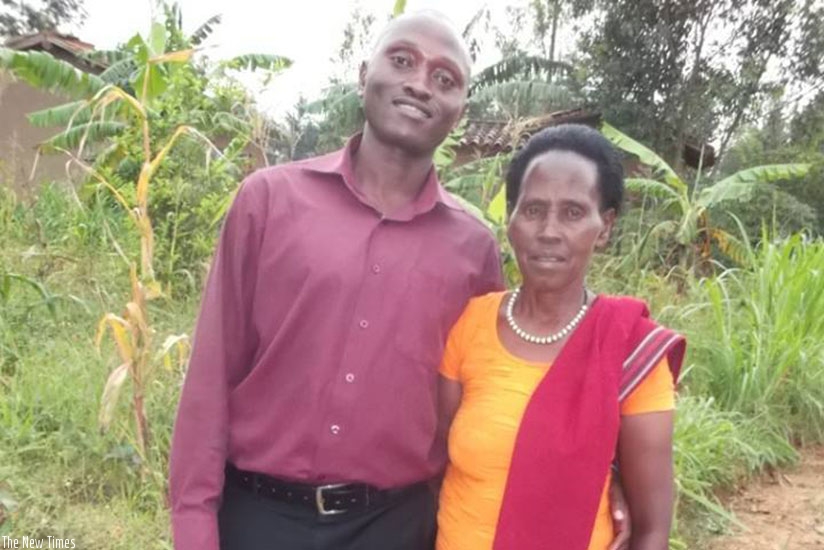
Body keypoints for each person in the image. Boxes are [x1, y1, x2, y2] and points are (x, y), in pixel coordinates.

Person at [169, 11, 630, 550]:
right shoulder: (269, 201)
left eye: (445, 79)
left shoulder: (472, 249)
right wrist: (195, 522)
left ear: (460, 110)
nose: (420, 84)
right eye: (403, 60)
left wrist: (608, 473)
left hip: (397, 527)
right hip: (260, 517)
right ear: (365, 74)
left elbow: (504, 389)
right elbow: (209, 377)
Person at [436, 124, 685, 550]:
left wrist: (607, 475)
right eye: (533, 210)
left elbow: (651, 530)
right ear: (510, 219)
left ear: (604, 227)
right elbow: (437, 460)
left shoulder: (629, 348)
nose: (549, 231)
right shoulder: (471, 323)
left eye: (572, 212)